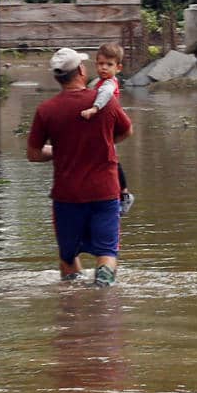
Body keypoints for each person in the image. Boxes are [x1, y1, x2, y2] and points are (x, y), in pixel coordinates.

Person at [28, 47, 133, 286]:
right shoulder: (105, 101)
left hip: (67, 196)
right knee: (107, 253)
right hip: (105, 192)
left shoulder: (46, 110)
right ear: (82, 71)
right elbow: (127, 131)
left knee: (68, 257)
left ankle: (73, 305)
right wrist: (100, 144)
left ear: (57, 78)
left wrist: (63, 150)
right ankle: (103, 296)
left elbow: (33, 154)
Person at [78, 41, 135, 215]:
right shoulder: (98, 81)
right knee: (107, 159)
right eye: (101, 64)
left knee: (112, 160)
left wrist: (94, 108)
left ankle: (124, 194)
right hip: (102, 127)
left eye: (109, 65)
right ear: (95, 64)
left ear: (118, 67)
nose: (104, 68)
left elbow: (105, 94)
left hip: (109, 126)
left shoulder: (109, 83)